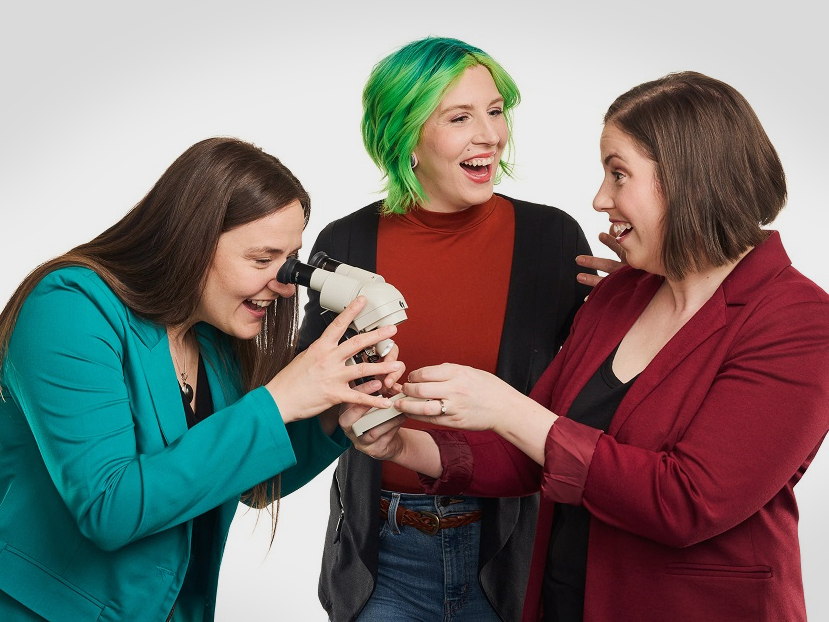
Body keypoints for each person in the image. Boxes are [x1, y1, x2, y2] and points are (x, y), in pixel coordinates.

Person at [347, 71, 829, 622]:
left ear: (690, 180)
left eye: (619, 175)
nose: (601, 199)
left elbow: (686, 501)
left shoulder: (799, 321)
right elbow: (531, 448)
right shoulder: (623, 293)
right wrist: (402, 447)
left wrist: (508, 407)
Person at [0, 137, 403, 622]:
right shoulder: (68, 308)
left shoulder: (211, 338)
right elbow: (110, 508)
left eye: (291, 260)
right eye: (261, 260)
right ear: (188, 240)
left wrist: (334, 416)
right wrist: (278, 402)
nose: (284, 282)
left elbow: (244, 480)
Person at [297, 37, 618, 621]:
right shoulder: (345, 244)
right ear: (406, 135)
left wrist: (643, 299)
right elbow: (307, 398)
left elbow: (601, 400)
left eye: (496, 111)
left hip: (514, 548)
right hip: (382, 553)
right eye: (460, 117)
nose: (490, 135)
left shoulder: (551, 241)